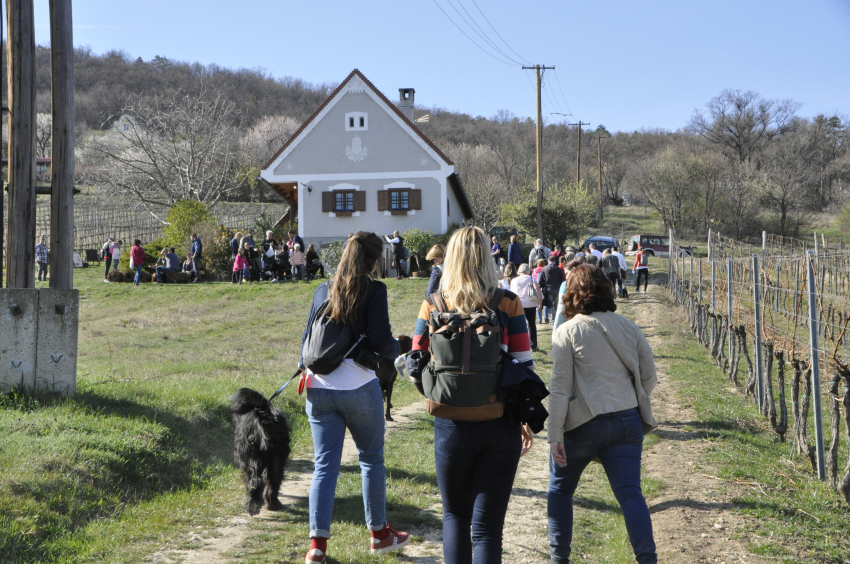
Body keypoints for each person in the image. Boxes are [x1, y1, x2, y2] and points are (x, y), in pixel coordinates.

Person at [410, 226, 534, 564]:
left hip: (450, 424)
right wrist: (524, 419)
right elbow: (525, 366)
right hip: (499, 421)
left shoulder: (433, 303)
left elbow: (413, 360)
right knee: (489, 529)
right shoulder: (508, 303)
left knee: (455, 518)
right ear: (487, 257)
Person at [300, 231, 407, 564]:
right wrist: (401, 349)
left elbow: (306, 340)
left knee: (324, 466)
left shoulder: (322, 289)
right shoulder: (374, 291)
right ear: (375, 261)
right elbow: (382, 341)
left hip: (318, 388)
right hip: (359, 387)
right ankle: (379, 535)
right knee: (371, 458)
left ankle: (317, 546)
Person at [547, 265, 658, 564]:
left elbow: (559, 388)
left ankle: (559, 559)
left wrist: (554, 433)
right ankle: (648, 559)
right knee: (631, 495)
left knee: (559, 492)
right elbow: (649, 376)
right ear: (606, 289)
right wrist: (631, 400)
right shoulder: (629, 326)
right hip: (627, 421)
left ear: (571, 294)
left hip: (582, 426)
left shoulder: (566, 332)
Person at [511, 263, 543, 352]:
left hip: (518, 304)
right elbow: (537, 289)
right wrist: (540, 302)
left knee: (518, 325)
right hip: (530, 304)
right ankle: (533, 346)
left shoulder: (514, 280)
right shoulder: (532, 278)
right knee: (532, 324)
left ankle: (518, 345)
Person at [538, 256, 566, 325]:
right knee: (557, 305)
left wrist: (541, 288)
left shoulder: (544, 269)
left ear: (548, 261)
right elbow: (562, 280)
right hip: (557, 289)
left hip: (548, 290)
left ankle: (551, 320)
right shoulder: (559, 269)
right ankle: (557, 319)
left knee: (550, 306)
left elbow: (540, 281)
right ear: (555, 261)